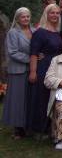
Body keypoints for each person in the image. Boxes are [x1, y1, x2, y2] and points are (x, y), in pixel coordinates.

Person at [28, 4, 62, 137]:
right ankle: (38, 129)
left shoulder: (58, 32)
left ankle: (50, 127)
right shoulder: (40, 32)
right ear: (46, 14)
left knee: (52, 98)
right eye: (52, 13)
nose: (55, 15)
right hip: (43, 67)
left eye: (57, 13)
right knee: (41, 97)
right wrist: (33, 71)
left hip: (56, 68)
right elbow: (33, 53)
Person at [2, 7, 33, 139]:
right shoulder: (13, 33)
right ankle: (17, 129)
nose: (26, 19)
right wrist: (31, 60)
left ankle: (27, 125)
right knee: (17, 100)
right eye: (23, 17)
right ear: (17, 18)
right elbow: (13, 52)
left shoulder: (34, 30)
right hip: (18, 70)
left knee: (28, 99)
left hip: (31, 70)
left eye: (27, 16)